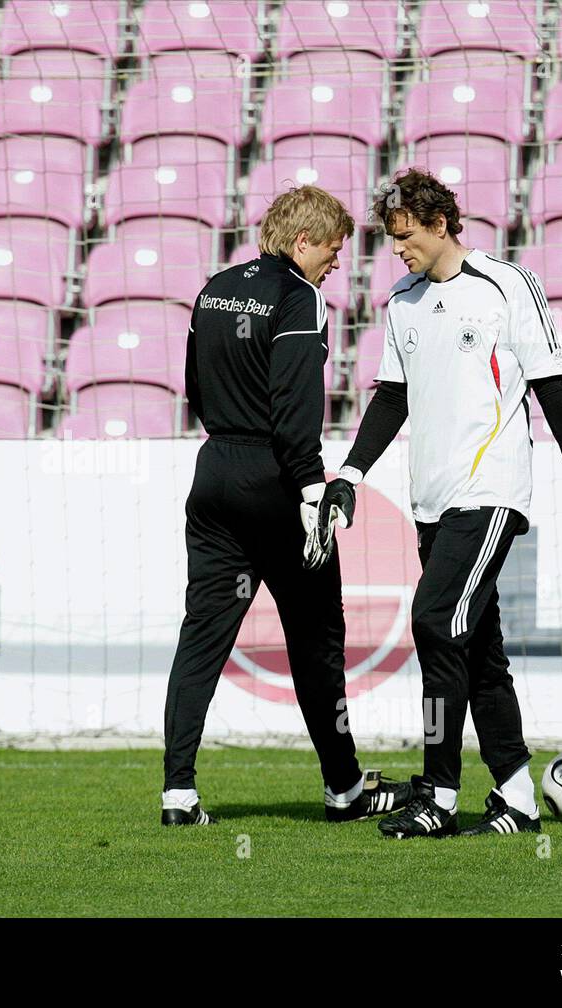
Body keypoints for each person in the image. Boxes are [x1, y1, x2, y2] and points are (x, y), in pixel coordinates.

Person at [310, 169, 562, 838]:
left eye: (405, 237)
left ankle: (440, 794)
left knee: (432, 619)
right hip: (430, 500)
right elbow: (391, 399)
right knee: (479, 650)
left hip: (491, 493)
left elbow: (550, 383)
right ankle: (516, 796)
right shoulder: (401, 300)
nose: (398, 250)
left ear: (438, 224)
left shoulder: (505, 285)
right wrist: (348, 474)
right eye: (392, 240)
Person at [161, 185, 413, 826]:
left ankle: (179, 795)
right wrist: (309, 489)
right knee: (316, 640)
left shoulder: (213, 288)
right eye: (333, 251)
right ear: (304, 241)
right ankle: (344, 789)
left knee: (202, 637)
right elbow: (294, 407)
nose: (337, 265)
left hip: (214, 472)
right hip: (277, 481)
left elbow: (194, 384)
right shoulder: (301, 300)